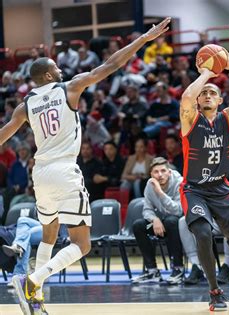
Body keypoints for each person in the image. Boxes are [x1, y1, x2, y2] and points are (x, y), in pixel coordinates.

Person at [6, 18, 171, 314]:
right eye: (56, 67)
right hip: (65, 170)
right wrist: (144, 38)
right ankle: (32, 279)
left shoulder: (25, 105)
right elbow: (110, 65)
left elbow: (2, 135)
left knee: (49, 235)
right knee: (82, 246)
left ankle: (36, 298)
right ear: (47, 74)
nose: (60, 69)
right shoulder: (69, 87)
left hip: (40, 173)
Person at [179, 48, 229, 310]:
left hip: (220, 187)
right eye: (204, 93)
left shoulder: (227, 119)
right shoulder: (191, 119)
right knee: (203, 233)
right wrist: (205, 73)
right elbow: (186, 96)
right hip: (194, 189)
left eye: (213, 92)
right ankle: (215, 291)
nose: (207, 95)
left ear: (220, 99)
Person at [131, 157, 184, 284]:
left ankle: (178, 269)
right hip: (160, 224)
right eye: (156, 172)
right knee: (139, 226)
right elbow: (147, 210)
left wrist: (160, 193)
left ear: (169, 172)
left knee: (171, 221)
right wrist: (154, 219)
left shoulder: (180, 183)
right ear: (151, 174)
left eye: (163, 171)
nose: (160, 175)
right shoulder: (150, 185)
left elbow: (178, 211)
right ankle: (152, 271)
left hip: (180, 225)